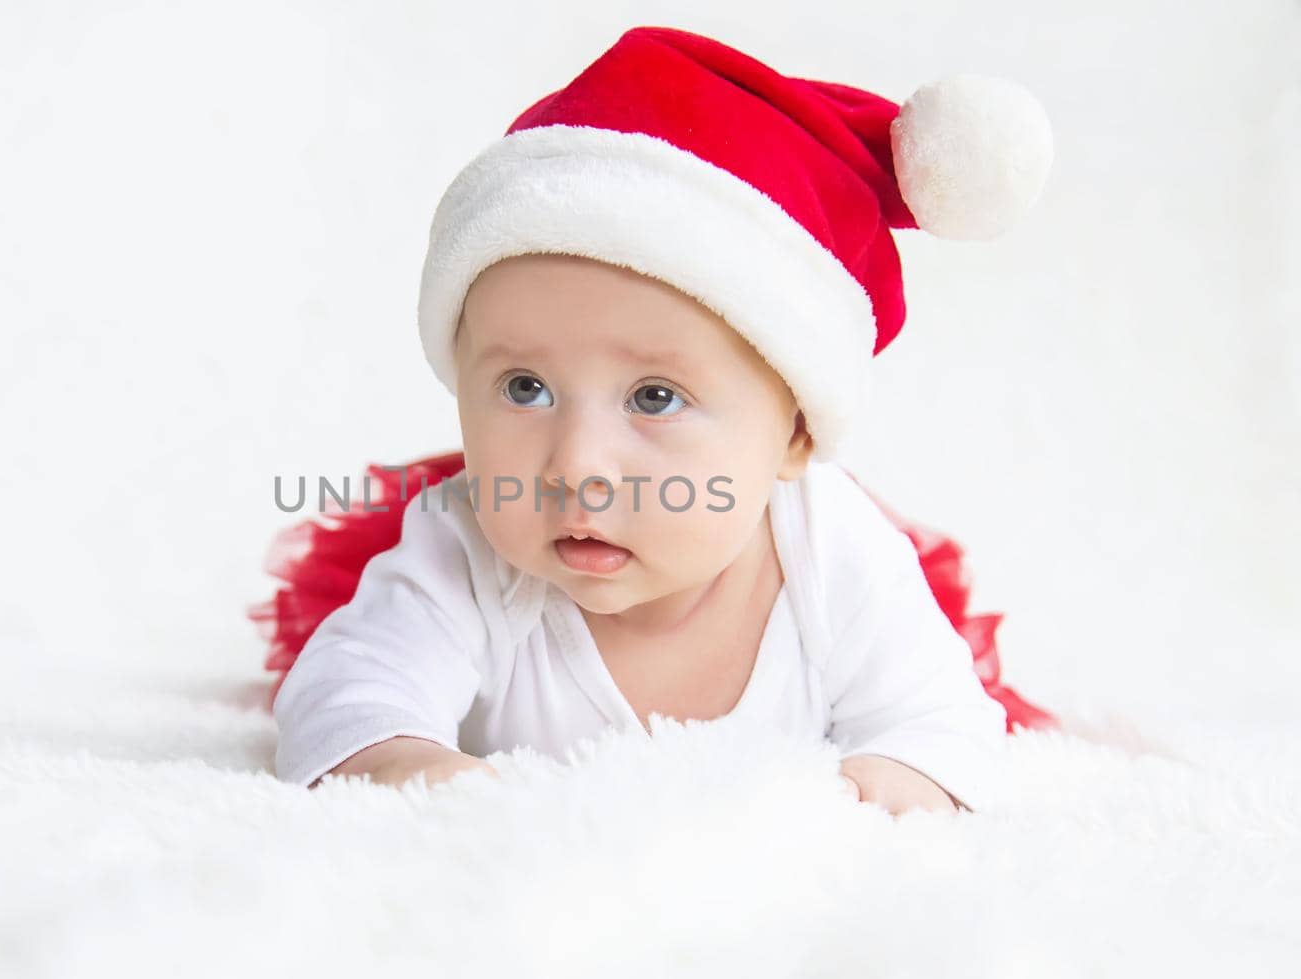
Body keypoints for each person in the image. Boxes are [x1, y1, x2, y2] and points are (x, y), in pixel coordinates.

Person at [248, 25, 1060, 814]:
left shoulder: (833, 558)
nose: (578, 464)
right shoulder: (464, 553)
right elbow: (347, 689)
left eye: (655, 398)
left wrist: (893, 782)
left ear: (796, 434)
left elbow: (948, 725)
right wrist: (400, 757)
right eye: (525, 387)